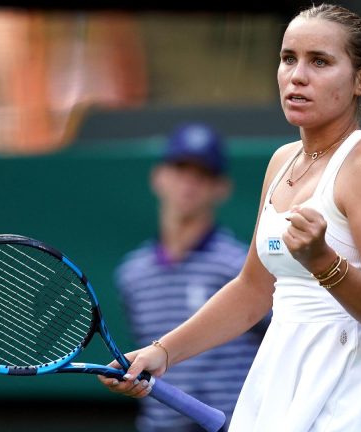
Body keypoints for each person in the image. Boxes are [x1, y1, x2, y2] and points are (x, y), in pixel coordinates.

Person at [100, 4, 361, 430]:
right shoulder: (281, 161)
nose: (298, 75)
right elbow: (253, 290)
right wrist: (162, 352)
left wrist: (323, 262)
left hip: (352, 398)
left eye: (320, 62)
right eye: (288, 58)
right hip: (280, 383)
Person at [113, 122, 266, 431]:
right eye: (181, 169)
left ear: (221, 188)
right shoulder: (132, 275)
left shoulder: (240, 269)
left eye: (203, 174)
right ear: (159, 178)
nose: (189, 183)